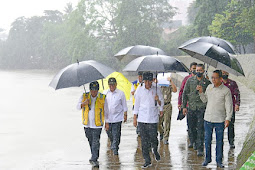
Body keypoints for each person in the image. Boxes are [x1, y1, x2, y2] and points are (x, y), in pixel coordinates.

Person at [198, 70, 233, 168]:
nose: (213, 79)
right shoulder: (209, 87)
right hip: (208, 118)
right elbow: (205, 100)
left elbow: (229, 106)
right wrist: (201, 92)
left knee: (219, 141)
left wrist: (228, 118)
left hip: (220, 120)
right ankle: (207, 159)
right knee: (207, 139)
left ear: (221, 78)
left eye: (215, 77)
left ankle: (219, 160)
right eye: (212, 77)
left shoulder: (226, 90)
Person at [133, 72, 164, 168]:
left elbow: (161, 103)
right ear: (143, 81)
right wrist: (135, 117)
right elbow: (136, 104)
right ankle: (147, 160)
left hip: (153, 118)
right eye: (146, 81)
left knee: (153, 138)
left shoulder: (156, 88)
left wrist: (158, 100)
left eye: (150, 81)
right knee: (144, 141)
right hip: (142, 118)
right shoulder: (139, 89)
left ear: (152, 80)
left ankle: (155, 149)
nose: (148, 84)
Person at [76, 81, 108, 168]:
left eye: (96, 90)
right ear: (90, 90)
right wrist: (83, 103)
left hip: (97, 124)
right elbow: (77, 107)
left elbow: (106, 111)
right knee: (90, 141)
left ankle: (94, 159)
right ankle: (94, 155)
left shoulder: (102, 97)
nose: (94, 92)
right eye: (92, 90)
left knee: (95, 142)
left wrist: (107, 123)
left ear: (98, 90)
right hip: (87, 124)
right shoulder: (84, 96)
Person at [182, 64, 211, 156]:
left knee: (200, 128)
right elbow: (185, 93)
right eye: (197, 70)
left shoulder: (207, 82)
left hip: (202, 108)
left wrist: (202, 90)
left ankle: (200, 148)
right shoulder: (190, 81)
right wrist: (184, 107)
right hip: (191, 107)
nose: (198, 72)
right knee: (191, 127)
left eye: (200, 70)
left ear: (203, 71)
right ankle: (193, 141)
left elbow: (209, 96)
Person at [105, 77, 128, 155]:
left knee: (116, 134)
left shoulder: (120, 93)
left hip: (117, 118)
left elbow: (124, 105)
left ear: (116, 85)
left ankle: (115, 148)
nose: (112, 86)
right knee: (109, 133)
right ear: (108, 85)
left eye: (113, 84)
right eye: (110, 85)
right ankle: (113, 143)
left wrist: (125, 114)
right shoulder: (105, 93)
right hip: (108, 118)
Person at [178, 62, 197, 148]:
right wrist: (181, 104)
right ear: (190, 69)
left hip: (199, 106)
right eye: (193, 68)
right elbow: (182, 92)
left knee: (199, 125)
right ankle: (191, 141)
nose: (195, 70)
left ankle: (198, 142)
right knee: (190, 124)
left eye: (196, 69)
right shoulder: (186, 79)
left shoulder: (202, 80)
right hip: (189, 105)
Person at [222, 70, 240, 148]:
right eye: (222, 73)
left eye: (226, 72)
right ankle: (220, 141)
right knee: (220, 125)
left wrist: (237, 104)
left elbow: (237, 94)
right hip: (221, 107)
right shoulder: (218, 83)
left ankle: (231, 141)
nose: (224, 74)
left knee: (231, 125)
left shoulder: (233, 83)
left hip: (231, 107)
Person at [158, 76, 177, 145]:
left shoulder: (168, 86)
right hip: (159, 106)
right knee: (158, 122)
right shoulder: (158, 87)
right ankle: (161, 132)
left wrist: (171, 81)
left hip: (167, 105)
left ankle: (166, 138)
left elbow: (175, 90)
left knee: (167, 122)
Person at [131, 71, 143, 136]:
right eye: (139, 76)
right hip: (135, 103)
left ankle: (140, 129)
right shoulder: (134, 83)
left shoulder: (145, 84)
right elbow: (132, 92)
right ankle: (138, 129)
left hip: (142, 104)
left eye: (141, 76)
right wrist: (138, 91)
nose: (140, 78)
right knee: (136, 115)